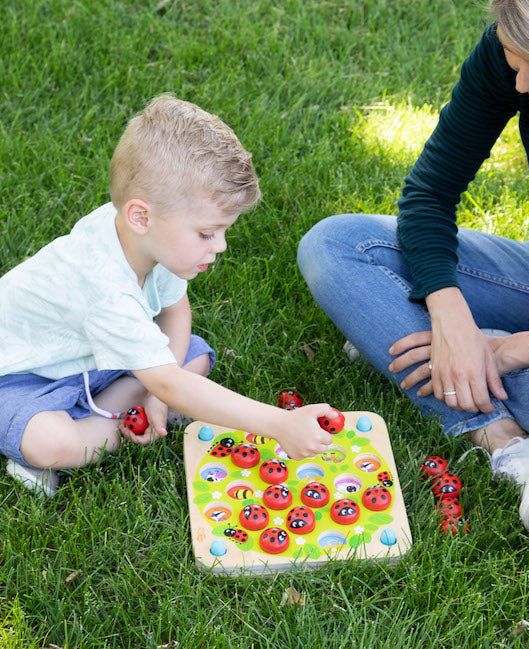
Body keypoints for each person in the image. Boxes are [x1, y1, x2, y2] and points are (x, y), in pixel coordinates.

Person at [298, 0, 529, 539]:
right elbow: (430, 193)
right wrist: (449, 313)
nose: (525, 82)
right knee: (336, 246)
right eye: (516, 56)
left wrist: (506, 351)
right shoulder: (513, 64)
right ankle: (505, 436)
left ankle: (433, 358)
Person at [1, 94, 336, 496]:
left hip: (86, 359)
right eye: (207, 233)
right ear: (141, 216)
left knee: (193, 356)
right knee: (53, 444)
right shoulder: (104, 288)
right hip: (18, 377)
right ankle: (99, 424)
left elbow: (176, 311)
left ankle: (131, 402)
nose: (221, 246)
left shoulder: (145, 240)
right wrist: (278, 424)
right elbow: (174, 382)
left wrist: (162, 393)